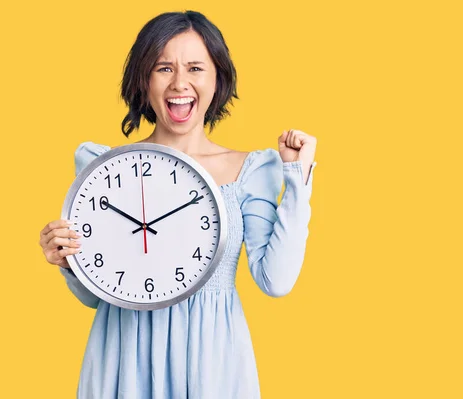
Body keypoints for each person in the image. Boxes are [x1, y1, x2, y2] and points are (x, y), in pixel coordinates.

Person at [39, 10, 317, 399]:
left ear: (217, 78)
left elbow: (276, 280)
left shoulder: (249, 170)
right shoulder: (104, 167)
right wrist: (68, 261)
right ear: (144, 79)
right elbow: (94, 296)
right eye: (164, 68)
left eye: (195, 68)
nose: (179, 83)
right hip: (123, 358)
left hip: (213, 364)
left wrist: (297, 179)